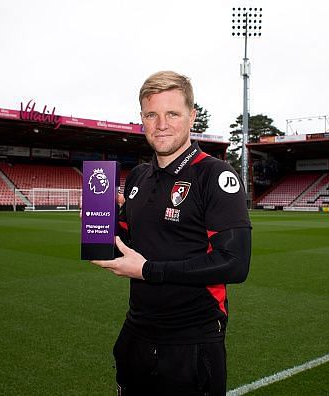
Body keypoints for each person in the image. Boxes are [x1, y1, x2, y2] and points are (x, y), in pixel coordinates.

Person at [91, 71, 251, 395]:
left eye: (172, 114)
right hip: (136, 334)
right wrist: (98, 220)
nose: (161, 123)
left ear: (192, 117)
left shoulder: (215, 175)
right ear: (142, 119)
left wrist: (149, 271)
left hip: (191, 340)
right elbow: (122, 246)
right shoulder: (137, 177)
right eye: (152, 114)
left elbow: (235, 263)